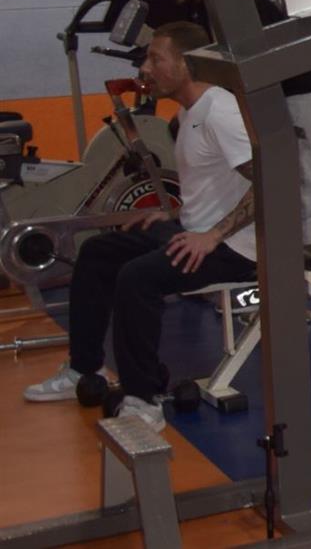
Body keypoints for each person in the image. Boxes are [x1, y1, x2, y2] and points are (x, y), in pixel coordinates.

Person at [23, 24, 258, 429]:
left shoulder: (221, 111)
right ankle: (84, 369)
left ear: (186, 64)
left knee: (137, 278)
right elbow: (217, 185)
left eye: (155, 58)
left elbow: (272, 180)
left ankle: (143, 399)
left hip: (236, 248)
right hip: (197, 232)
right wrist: (175, 215)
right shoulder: (189, 111)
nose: (145, 68)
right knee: (98, 252)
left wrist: (212, 236)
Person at [143, 0, 311, 244]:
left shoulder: (232, 2)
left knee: (299, 189)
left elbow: (239, 66)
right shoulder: (200, 6)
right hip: (266, 95)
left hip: (299, 93)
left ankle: (301, 263)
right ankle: (261, 256)